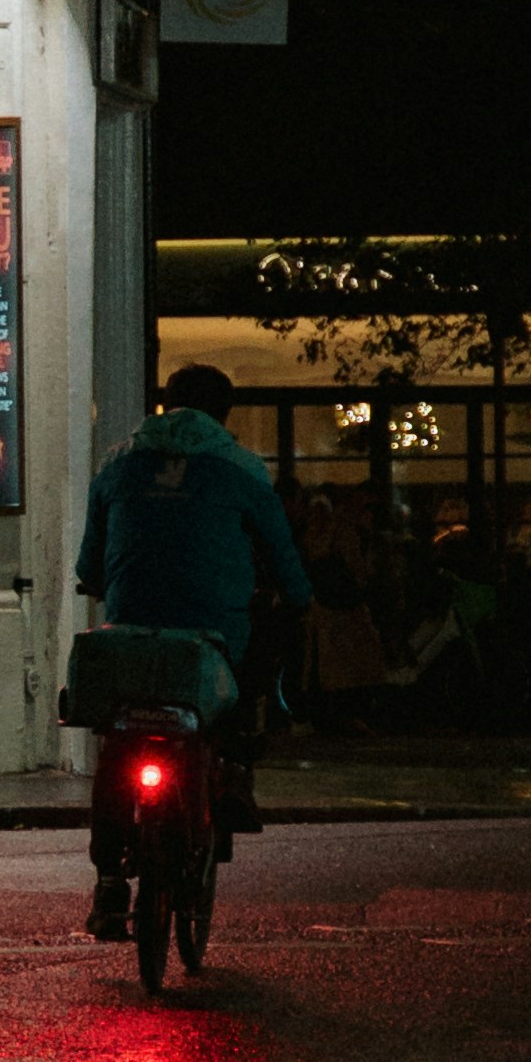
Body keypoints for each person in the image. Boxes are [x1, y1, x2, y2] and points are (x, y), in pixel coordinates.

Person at [72, 364, 310, 938]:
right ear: (224, 414)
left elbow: (87, 566)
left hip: (131, 638)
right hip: (213, 639)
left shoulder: (116, 462)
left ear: (166, 405)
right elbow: (289, 572)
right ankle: (236, 770)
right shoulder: (243, 469)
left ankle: (108, 883)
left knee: (116, 743)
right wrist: (292, 596)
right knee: (250, 676)